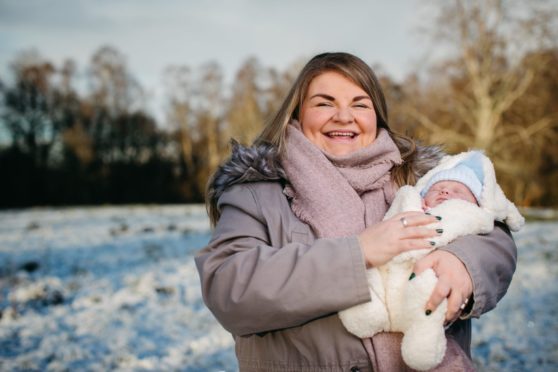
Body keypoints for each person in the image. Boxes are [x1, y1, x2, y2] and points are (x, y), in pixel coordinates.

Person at [195, 52, 517, 371]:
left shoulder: (420, 178)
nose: (344, 116)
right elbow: (229, 288)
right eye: (324, 103)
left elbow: (493, 230)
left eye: (360, 104)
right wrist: (358, 252)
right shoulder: (257, 192)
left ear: (376, 116)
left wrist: (464, 262)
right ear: (296, 113)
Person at [338, 150, 524, 370]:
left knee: (426, 296)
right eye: (437, 188)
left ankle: (424, 337)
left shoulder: (416, 168)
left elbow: (495, 237)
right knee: (373, 279)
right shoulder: (410, 201)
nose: (445, 190)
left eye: (457, 191)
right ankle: (370, 311)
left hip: (426, 276)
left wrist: (463, 260)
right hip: (390, 269)